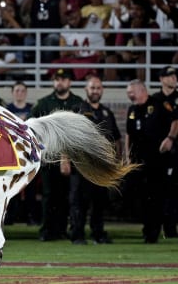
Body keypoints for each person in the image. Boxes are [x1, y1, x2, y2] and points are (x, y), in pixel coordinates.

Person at [29, 68, 83, 241]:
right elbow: (30, 126)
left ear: (70, 82)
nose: (60, 82)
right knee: (49, 195)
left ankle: (62, 229)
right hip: (49, 156)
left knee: (68, 196)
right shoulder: (44, 103)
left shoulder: (78, 102)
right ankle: (46, 230)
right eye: (57, 79)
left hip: (71, 158)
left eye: (64, 79)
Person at [124, 79, 177, 243]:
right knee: (141, 196)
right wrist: (127, 156)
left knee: (156, 196)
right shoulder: (132, 110)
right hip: (139, 160)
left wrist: (170, 138)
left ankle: (153, 232)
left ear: (141, 91)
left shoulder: (159, 104)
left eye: (131, 92)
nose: (129, 95)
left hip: (157, 159)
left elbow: (175, 122)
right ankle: (147, 228)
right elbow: (128, 134)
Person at [69, 75, 120, 244]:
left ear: (102, 90)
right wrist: (64, 160)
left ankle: (98, 233)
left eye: (98, 88)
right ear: (86, 90)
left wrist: (116, 161)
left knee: (99, 201)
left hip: (101, 166)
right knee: (79, 202)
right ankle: (77, 235)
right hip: (82, 165)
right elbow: (67, 138)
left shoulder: (107, 112)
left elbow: (116, 139)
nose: (95, 91)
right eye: (92, 88)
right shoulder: (77, 109)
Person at [150, 66, 178, 239]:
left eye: (174, 75)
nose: (173, 78)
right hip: (159, 152)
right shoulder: (155, 99)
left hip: (177, 150)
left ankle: (170, 228)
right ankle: (159, 227)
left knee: (173, 190)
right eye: (169, 76)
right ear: (161, 79)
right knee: (159, 190)